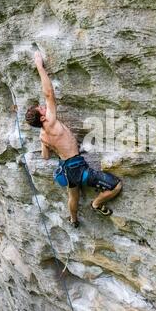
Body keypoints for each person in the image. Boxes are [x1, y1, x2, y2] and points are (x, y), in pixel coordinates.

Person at [25, 51, 122, 227]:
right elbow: (49, 93)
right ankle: (97, 203)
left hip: (67, 170)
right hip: (78, 168)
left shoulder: (43, 135)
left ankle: (73, 219)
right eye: (41, 109)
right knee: (116, 186)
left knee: (73, 195)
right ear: (43, 118)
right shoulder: (52, 123)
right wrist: (39, 66)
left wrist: (45, 143)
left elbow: (45, 157)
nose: (44, 107)